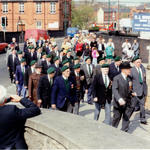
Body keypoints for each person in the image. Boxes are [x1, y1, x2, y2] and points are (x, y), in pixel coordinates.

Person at [112, 61, 133, 132]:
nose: (130, 70)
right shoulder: (117, 78)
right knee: (116, 118)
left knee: (126, 118)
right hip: (119, 103)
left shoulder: (129, 78)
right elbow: (114, 90)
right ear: (123, 70)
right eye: (128, 69)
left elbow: (129, 88)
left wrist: (132, 93)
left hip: (127, 102)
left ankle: (124, 131)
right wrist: (119, 99)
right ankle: (112, 132)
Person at [129, 56, 148, 124]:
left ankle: (142, 119)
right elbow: (129, 82)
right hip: (135, 92)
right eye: (137, 62)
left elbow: (144, 81)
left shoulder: (142, 69)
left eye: (140, 62)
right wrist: (131, 91)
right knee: (132, 107)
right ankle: (127, 118)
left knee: (142, 106)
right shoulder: (131, 70)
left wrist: (145, 91)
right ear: (134, 63)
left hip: (142, 91)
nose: (139, 63)